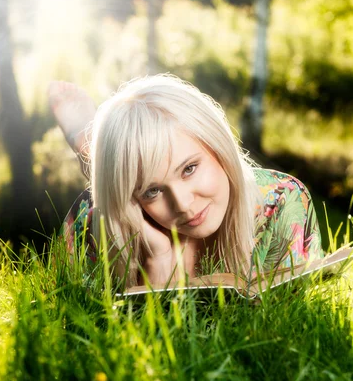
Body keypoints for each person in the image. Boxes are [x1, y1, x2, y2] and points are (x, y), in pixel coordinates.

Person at [48, 74, 324, 288]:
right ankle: (96, 150)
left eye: (189, 169)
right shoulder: (88, 224)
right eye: (152, 191)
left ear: (218, 146)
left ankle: (90, 143)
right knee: (119, 175)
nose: (183, 205)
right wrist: (157, 265)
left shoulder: (282, 201)